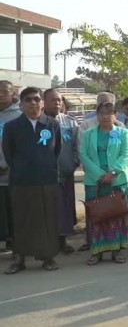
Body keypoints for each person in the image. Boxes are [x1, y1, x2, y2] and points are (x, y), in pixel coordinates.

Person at [2, 87, 62, 274]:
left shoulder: (52, 124)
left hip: (47, 180)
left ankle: (48, 257)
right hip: (22, 181)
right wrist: (22, 168)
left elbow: (56, 150)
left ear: (42, 103)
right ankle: (19, 259)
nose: (33, 103)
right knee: (22, 220)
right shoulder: (12, 127)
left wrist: (46, 167)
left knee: (47, 220)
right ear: (21, 104)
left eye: (37, 99)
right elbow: (8, 153)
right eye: (28, 99)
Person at [80, 102, 128, 265]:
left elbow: (126, 154)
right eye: (101, 113)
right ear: (96, 115)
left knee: (116, 215)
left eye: (109, 113)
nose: (104, 116)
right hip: (94, 182)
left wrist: (113, 173)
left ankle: (117, 251)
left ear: (115, 115)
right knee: (96, 215)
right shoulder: (88, 134)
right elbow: (83, 155)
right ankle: (97, 252)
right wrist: (100, 174)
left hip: (118, 181)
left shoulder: (123, 133)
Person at [43, 88, 80, 254]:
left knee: (65, 209)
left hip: (66, 174)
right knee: (49, 211)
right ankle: (49, 243)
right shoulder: (40, 122)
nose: (57, 103)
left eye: (59, 100)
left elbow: (77, 145)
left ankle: (63, 242)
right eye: (53, 100)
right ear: (44, 102)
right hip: (46, 176)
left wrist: (73, 163)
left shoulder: (70, 122)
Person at [0, 80, 21, 253]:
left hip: (11, 173)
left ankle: (15, 244)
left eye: (4, 91)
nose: (0, 94)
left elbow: (20, 146)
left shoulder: (18, 117)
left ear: (12, 93)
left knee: (13, 210)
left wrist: (5, 164)